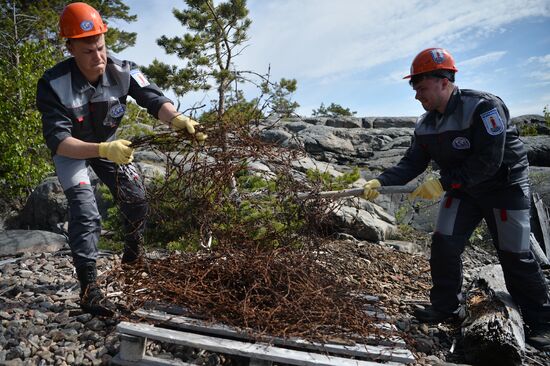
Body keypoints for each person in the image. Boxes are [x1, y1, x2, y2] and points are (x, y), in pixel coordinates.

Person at [362, 47, 550, 350]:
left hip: (505, 187)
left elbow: (490, 160)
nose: (416, 96)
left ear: (443, 82)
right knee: (444, 244)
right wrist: (380, 182)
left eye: (420, 87)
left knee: (515, 255)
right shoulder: (425, 124)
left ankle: (542, 323)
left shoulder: (484, 107)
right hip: (464, 190)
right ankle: (445, 306)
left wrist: (443, 183)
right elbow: (412, 163)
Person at [36, 2, 205, 316]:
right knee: (86, 213)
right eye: (88, 51)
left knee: (137, 199)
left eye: (101, 47)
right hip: (74, 151)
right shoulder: (52, 84)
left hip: (110, 145)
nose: (98, 57)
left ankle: (132, 256)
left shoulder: (124, 69)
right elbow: (59, 142)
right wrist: (101, 150)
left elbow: (152, 98)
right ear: (70, 47)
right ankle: (89, 290)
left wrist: (178, 119)